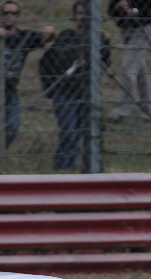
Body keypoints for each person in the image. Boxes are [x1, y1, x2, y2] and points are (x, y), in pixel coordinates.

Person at [0, 1, 55, 173]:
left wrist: (49, 31)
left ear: (18, 16)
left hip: (10, 90)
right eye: (5, 13)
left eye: (13, 13)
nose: (9, 16)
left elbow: (47, 35)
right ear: (1, 16)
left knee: (12, 127)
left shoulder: (24, 37)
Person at [39, 1, 111, 170]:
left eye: (86, 14)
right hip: (65, 93)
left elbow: (105, 64)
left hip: (86, 94)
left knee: (83, 133)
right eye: (79, 13)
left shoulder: (96, 37)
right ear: (74, 16)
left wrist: (106, 44)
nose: (83, 17)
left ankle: (76, 166)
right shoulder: (66, 36)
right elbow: (62, 60)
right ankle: (62, 166)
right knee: (69, 132)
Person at [106, 0, 151, 122]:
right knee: (139, 70)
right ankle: (149, 113)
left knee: (128, 68)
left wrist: (135, 12)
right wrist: (118, 7)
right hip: (126, 29)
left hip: (143, 28)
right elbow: (111, 9)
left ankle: (121, 111)